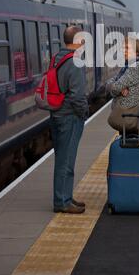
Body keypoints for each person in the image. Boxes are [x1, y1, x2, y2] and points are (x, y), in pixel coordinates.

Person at [50, 26, 89, 214]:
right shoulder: (75, 61)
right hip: (70, 117)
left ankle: (65, 196)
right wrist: (84, 113)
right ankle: (62, 202)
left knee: (62, 158)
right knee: (66, 161)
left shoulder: (57, 58)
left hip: (56, 114)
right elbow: (77, 96)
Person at [106, 36, 139, 134]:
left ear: (137, 52)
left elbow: (114, 88)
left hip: (130, 117)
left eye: (127, 48)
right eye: (123, 48)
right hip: (128, 116)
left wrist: (116, 88)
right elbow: (109, 83)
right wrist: (119, 89)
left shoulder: (135, 68)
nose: (124, 51)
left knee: (129, 146)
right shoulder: (127, 67)